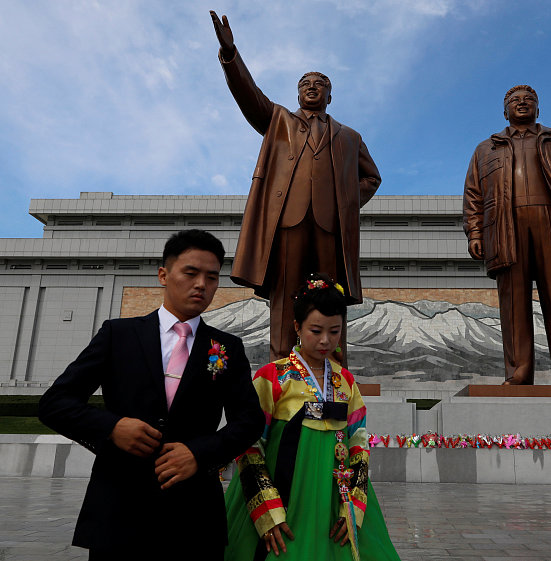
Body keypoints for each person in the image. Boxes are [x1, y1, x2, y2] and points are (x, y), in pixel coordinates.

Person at [38, 230, 265, 560]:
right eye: (191, 272)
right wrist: (113, 428)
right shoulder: (118, 335)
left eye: (212, 277)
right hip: (120, 510)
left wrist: (198, 453)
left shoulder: (227, 347)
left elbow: (249, 421)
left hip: (194, 514)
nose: (201, 284)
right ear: (164, 274)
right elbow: (54, 404)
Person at [210, 11, 381, 364]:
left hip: (329, 225)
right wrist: (231, 55)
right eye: (306, 83)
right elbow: (248, 94)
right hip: (287, 220)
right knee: (286, 294)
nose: (312, 87)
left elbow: (372, 178)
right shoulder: (278, 121)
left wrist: (345, 203)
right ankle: (281, 363)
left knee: (330, 296)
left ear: (330, 96)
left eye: (320, 84)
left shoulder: (349, 137)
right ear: (298, 92)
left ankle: (334, 365)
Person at [224, 273, 400, 561]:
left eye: (334, 331)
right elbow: (250, 445)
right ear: (297, 327)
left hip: (334, 501)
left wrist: (352, 507)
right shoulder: (272, 378)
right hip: (286, 496)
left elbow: (358, 443)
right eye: (315, 330)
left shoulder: (346, 382)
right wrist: (267, 510)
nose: (325, 340)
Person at [463, 85, 551, 386]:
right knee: (513, 303)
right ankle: (518, 373)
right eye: (515, 101)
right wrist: (475, 232)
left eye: (529, 100)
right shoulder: (485, 149)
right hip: (505, 227)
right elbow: (473, 195)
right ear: (505, 111)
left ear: (538, 109)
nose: (522, 103)